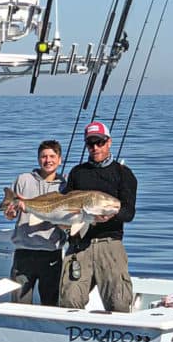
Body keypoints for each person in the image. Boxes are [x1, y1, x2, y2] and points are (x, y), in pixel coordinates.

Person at [59, 121, 138, 312]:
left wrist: (109, 215)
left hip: (109, 243)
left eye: (100, 142)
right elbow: (66, 206)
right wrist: (64, 223)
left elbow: (129, 213)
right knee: (69, 301)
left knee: (119, 303)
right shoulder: (78, 172)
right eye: (90, 143)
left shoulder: (123, 174)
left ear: (109, 142)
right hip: (80, 243)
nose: (95, 147)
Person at [2, 140, 66, 305]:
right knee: (19, 303)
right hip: (24, 252)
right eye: (44, 156)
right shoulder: (24, 179)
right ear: (38, 159)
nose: (48, 160)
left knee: (51, 304)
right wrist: (10, 212)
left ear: (60, 159)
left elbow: (67, 221)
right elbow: (9, 215)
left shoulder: (65, 185)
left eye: (52, 156)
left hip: (51, 253)